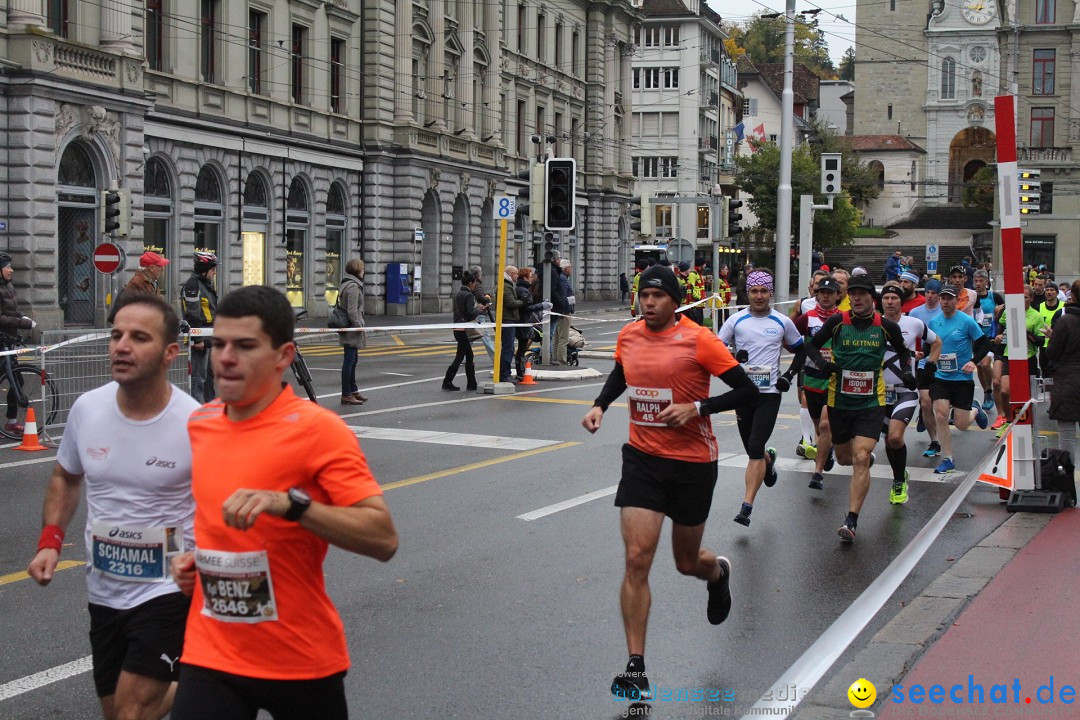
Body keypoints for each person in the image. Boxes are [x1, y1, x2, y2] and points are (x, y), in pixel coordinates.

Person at [168, 286, 398, 720]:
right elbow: (219, 526)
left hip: (299, 657)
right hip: (212, 650)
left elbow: (383, 538)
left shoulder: (319, 431)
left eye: (245, 346)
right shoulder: (199, 423)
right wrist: (198, 564)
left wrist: (290, 505)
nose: (225, 358)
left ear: (284, 355)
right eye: (219, 344)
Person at [581, 265, 757, 701]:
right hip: (642, 459)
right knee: (637, 557)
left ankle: (716, 575)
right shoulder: (629, 335)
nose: (649, 303)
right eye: (644, 296)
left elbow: (746, 390)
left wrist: (699, 407)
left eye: (658, 296)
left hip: (693, 463)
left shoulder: (700, 338)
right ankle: (636, 668)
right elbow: (623, 372)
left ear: (675, 301)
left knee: (685, 562)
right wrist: (600, 405)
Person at [27, 292, 199, 720]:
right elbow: (66, 476)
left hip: (167, 590)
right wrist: (50, 541)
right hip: (104, 590)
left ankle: (210, 678)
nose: (122, 346)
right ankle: (202, 677)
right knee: (114, 711)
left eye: (139, 337)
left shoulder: (195, 424)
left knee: (129, 714)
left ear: (169, 353)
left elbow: (223, 506)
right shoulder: (88, 409)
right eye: (116, 334)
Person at [804, 275, 914, 543]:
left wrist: (909, 373)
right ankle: (858, 458)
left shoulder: (886, 326)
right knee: (844, 459)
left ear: (871, 298)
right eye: (852, 294)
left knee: (861, 457)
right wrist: (822, 363)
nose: (856, 298)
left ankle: (851, 520)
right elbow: (810, 345)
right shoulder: (837, 322)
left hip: (870, 402)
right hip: (840, 401)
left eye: (862, 294)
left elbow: (903, 352)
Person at [719, 268, 805, 527]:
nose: (759, 296)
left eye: (763, 291)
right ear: (747, 293)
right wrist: (733, 360)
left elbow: (801, 351)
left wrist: (788, 377)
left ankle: (746, 507)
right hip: (743, 393)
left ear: (770, 293)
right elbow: (717, 349)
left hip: (770, 394)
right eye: (754, 291)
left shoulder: (782, 322)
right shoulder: (735, 321)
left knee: (755, 447)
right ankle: (769, 462)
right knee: (753, 449)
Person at [879, 284, 941, 504]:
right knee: (889, 441)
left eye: (894, 298)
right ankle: (899, 476)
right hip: (878, 393)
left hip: (906, 391)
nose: (889, 301)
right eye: (885, 297)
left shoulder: (913, 323)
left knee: (896, 436)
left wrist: (929, 363)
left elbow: (936, 342)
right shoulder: (873, 324)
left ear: (901, 301)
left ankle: (898, 483)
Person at [926, 285, 992, 474]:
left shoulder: (967, 321)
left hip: (962, 378)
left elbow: (984, 344)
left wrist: (973, 361)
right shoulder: (934, 322)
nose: (946, 302)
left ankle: (974, 409)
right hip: (941, 377)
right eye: (943, 299)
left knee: (962, 425)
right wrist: (922, 354)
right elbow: (928, 344)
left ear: (956, 301)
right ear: (939, 301)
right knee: (941, 414)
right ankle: (948, 459)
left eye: (949, 299)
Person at [794, 276, 842, 489]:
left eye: (830, 293)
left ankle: (817, 473)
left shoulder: (844, 318)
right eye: (822, 292)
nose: (825, 296)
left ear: (837, 296)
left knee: (825, 424)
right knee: (819, 428)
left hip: (834, 380)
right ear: (816, 294)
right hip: (813, 378)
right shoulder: (807, 318)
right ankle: (827, 449)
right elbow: (793, 340)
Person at [991, 285, 1049, 439]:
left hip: (1027, 358)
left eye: (1025, 297)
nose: (1021, 300)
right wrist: (998, 337)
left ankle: (1027, 425)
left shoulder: (1035, 316)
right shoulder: (1010, 312)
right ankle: (1008, 421)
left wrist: (1027, 334)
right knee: (1004, 390)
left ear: (1031, 298)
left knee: (1026, 396)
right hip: (1009, 355)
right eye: (1019, 297)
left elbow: (1041, 341)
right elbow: (1000, 327)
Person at [0, 252, 36, 434]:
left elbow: (11, 312)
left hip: (7, 340)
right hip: (1, 342)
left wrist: (22, 317)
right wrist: (22, 322)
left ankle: (12, 421)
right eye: (7, 267)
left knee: (17, 379)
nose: (11, 270)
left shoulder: (8, 286)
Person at [1046, 280, 1080, 463]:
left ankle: (1067, 483)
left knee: (1067, 438)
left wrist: (1053, 337)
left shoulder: (1065, 321)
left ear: (1071, 296)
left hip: (1067, 382)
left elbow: (1052, 352)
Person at [910, 279, 945, 456]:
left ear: (939, 296)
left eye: (934, 293)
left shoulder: (944, 312)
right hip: (924, 362)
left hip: (944, 363)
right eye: (928, 293)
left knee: (941, 407)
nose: (930, 296)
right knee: (925, 401)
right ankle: (934, 442)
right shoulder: (915, 312)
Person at [182, 251, 219, 404]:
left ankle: (212, 406)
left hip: (208, 336)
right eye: (212, 269)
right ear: (204, 269)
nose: (215, 272)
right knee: (198, 377)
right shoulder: (193, 285)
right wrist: (198, 339)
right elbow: (193, 313)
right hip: (200, 338)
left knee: (209, 376)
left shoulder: (205, 284)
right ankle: (195, 408)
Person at [444, 271, 488, 391]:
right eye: (474, 283)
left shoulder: (458, 294)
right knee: (460, 356)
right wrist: (479, 309)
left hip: (458, 327)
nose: (475, 285)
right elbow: (470, 314)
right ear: (470, 283)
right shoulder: (469, 295)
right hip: (464, 329)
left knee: (468, 355)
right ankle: (448, 381)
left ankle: (471, 383)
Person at [972, 269, 1004, 412]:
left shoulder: (994, 296)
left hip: (990, 337)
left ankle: (989, 390)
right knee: (979, 365)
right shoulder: (971, 297)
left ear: (986, 282)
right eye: (976, 281)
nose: (978, 284)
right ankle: (986, 392)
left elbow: (1004, 311)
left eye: (981, 281)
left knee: (985, 364)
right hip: (975, 337)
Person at [108, 252, 170, 323]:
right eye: (160, 266)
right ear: (151, 268)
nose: (162, 269)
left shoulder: (152, 282)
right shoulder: (137, 283)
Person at [338, 258, 367, 405]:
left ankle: (353, 390)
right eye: (362, 268)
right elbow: (352, 310)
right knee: (349, 361)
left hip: (349, 327)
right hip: (351, 328)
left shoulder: (346, 283)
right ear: (357, 270)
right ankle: (347, 394)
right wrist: (359, 325)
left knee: (352, 360)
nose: (364, 271)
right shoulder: (353, 287)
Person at [514, 267, 550, 377]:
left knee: (522, 348)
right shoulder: (523, 290)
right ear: (525, 278)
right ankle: (520, 372)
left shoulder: (521, 289)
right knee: (522, 348)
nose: (531, 279)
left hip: (523, 321)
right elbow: (527, 308)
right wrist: (542, 306)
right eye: (530, 277)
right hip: (523, 322)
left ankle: (520, 370)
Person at [497, 264, 526, 383]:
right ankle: (505, 375)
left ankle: (504, 374)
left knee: (508, 348)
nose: (517, 276)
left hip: (508, 319)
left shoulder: (508, 285)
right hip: (508, 319)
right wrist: (522, 302)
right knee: (508, 348)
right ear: (511, 274)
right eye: (516, 274)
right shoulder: (506, 286)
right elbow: (510, 303)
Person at [554, 260, 574, 364]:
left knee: (557, 337)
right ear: (566, 268)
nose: (571, 269)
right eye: (570, 267)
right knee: (563, 338)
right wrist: (567, 311)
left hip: (559, 312)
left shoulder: (561, 278)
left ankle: (555, 359)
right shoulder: (563, 279)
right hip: (564, 312)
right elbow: (564, 297)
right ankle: (561, 360)